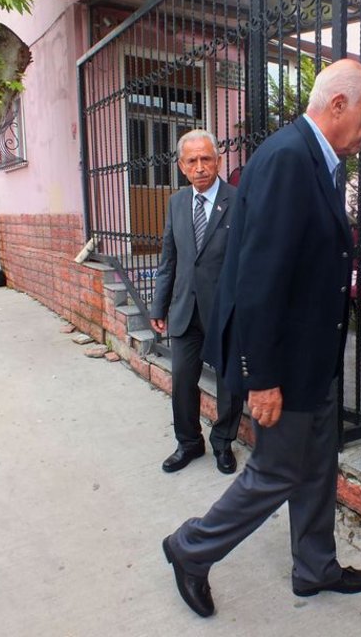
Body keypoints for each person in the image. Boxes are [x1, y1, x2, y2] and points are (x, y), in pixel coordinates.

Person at [161, 59, 361, 618]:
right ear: (338, 105)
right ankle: (191, 549)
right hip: (282, 361)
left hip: (315, 354)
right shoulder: (288, 158)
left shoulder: (318, 160)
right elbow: (258, 278)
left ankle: (315, 566)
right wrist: (261, 377)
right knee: (278, 471)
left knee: (318, 465)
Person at [150, 129, 244, 475]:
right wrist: (159, 306)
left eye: (206, 158)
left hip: (225, 311)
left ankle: (223, 443)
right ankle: (189, 442)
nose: (200, 167)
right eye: (192, 161)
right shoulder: (176, 203)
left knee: (229, 385)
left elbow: (249, 259)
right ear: (181, 166)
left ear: (218, 160)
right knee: (182, 381)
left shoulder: (239, 199)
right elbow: (169, 259)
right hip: (185, 310)